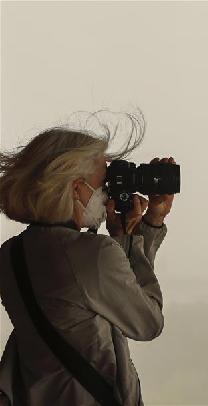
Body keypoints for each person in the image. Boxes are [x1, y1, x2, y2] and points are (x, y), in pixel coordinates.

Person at [0, 115, 175, 405]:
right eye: (103, 183)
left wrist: (125, 235)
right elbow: (147, 322)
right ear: (76, 188)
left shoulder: (10, 254)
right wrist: (140, 233)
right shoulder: (94, 254)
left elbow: (89, 298)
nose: (107, 194)